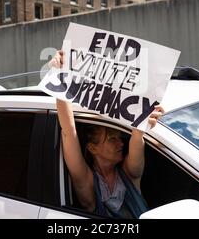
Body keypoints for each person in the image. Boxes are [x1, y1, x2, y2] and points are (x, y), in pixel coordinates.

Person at [49, 50, 165, 218]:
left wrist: (142, 123)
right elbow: (69, 132)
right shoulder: (88, 184)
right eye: (112, 139)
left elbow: (137, 136)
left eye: (119, 137)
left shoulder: (128, 174)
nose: (121, 143)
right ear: (92, 148)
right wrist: (60, 78)